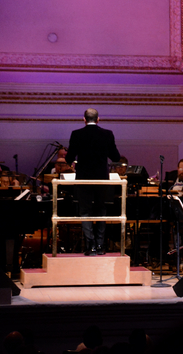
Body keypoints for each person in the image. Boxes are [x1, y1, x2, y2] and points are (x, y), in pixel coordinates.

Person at [66, 108, 121, 256]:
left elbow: (68, 158)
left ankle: (90, 246)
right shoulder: (107, 134)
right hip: (101, 178)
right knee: (101, 210)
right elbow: (115, 157)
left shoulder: (76, 134)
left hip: (83, 178)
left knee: (85, 211)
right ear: (98, 119)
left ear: (84, 119)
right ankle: (100, 246)